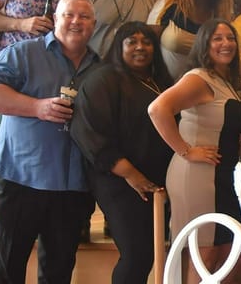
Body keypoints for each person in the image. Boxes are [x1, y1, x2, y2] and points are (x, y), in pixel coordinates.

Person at [0, 0, 99, 283]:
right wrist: (38, 108)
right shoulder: (23, 53)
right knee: (6, 269)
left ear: (94, 25)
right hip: (20, 179)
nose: (76, 21)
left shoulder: (100, 67)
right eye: (69, 14)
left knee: (58, 273)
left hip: (71, 189)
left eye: (84, 17)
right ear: (55, 18)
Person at [71, 21, 174, 284]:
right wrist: (131, 174)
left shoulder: (160, 80)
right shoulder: (103, 79)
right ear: (119, 46)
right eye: (132, 41)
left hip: (155, 182)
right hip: (118, 181)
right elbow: (89, 133)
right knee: (137, 254)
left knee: (151, 252)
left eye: (147, 42)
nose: (140, 47)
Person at [148, 19, 241, 282]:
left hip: (221, 177)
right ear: (204, 44)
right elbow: (157, 109)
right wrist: (186, 151)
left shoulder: (224, 80)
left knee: (229, 252)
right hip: (198, 176)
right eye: (217, 38)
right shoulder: (199, 78)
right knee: (206, 254)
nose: (226, 43)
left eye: (230, 38)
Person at [147, 0, 234, 80]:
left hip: (200, 89)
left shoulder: (220, 14)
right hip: (162, 85)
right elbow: (149, 42)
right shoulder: (171, 1)